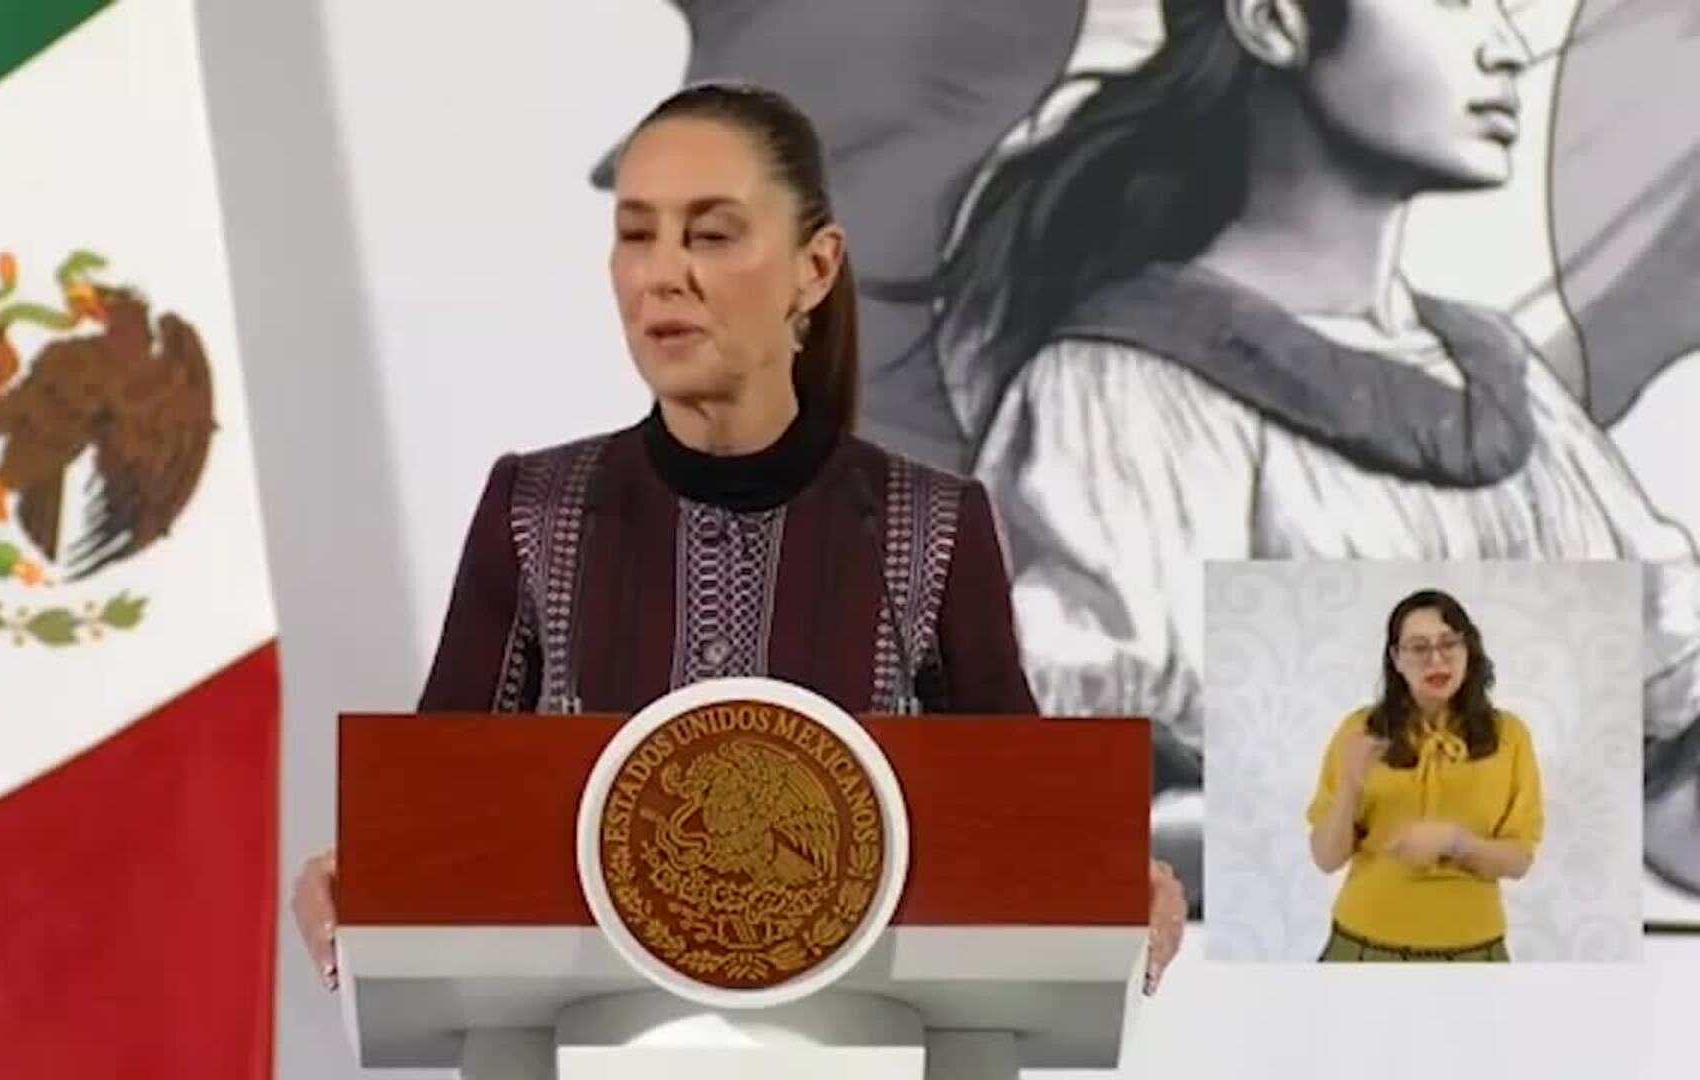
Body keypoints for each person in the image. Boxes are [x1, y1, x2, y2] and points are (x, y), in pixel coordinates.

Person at [290, 81, 1188, 993]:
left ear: (815, 269)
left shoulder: (931, 526)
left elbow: (1025, 836)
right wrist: (365, 876)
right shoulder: (535, 512)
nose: (661, 274)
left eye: (711, 235)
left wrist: (1106, 882)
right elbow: (436, 823)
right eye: (636, 234)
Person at [916, 0, 1700, 906]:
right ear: (1275, 19)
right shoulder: (1119, 395)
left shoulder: (1513, 390)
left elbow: (1666, 732)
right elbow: (1024, 800)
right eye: (1451, 1)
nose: (1507, 47)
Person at [1307, 589, 1542, 961]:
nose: (1436, 659)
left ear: (1469, 649)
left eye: (1449, 643)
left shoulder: (1510, 736)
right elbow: (1326, 859)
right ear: (1396, 659)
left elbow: (1519, 861)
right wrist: (1349, 787)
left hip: (1473, 949)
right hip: (1362, 944)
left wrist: (1457, 843)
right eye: (1418, 648)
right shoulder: (1360, 731)